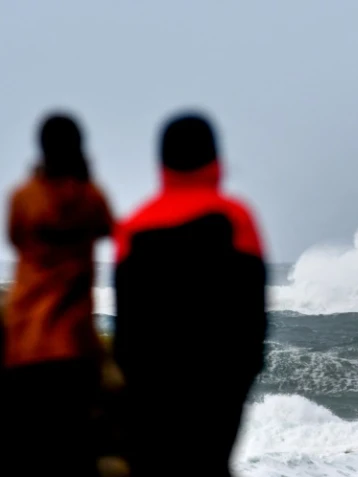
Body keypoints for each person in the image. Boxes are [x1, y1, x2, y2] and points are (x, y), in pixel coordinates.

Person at [112, 111, 268, 476]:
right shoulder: (235, 219)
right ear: (216, 159)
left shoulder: (133, 229)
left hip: (150, 394)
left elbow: (127, 329)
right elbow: (253, 315)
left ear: (161, 162)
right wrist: (242, 377)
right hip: (217, 391)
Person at [2, 113, 114, 477]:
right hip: (73, 345)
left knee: (31, 452)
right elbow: (106, 227)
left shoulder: (24, 196)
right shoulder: (90, 197)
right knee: (73, 455)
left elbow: (16, 236)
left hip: (25, 344)